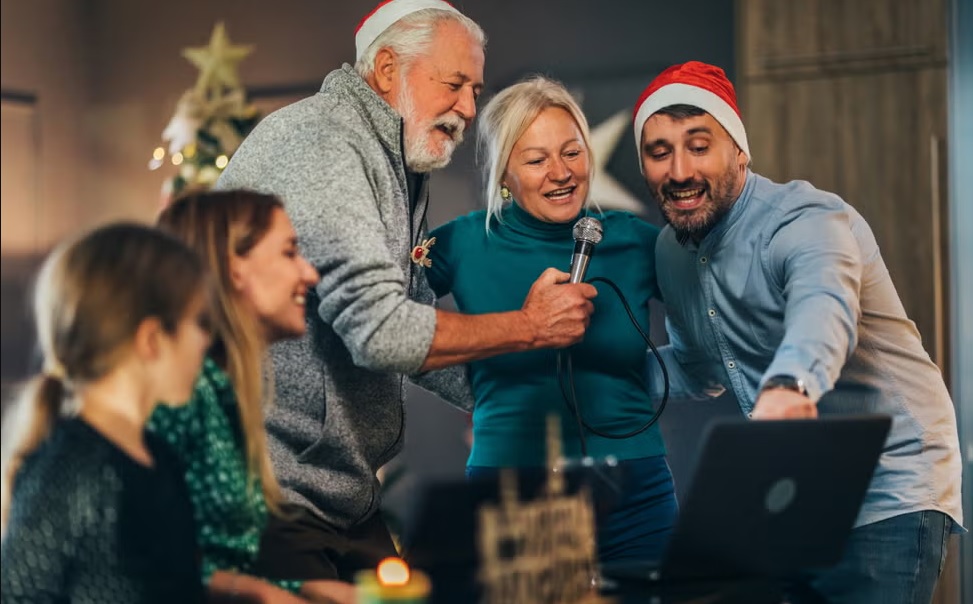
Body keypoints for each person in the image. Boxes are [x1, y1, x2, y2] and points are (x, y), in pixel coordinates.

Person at [216, 0, 597, 581]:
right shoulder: (324, 143)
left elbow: (412, 309)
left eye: (475, 90)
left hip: (337, 495)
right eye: (454, 84)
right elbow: (381, 330)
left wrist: (509, 401)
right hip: (266, 491)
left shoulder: (392, 156)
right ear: (388, 69)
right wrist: (529, 326)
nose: (468, 108)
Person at [632, 60, 964, 603]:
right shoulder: (672, 251)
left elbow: (824, 306)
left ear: (739, 150)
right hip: (796, 489)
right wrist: (591, 376)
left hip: (888, 485)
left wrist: (791, 385)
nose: (680, 170)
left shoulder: (805, 219)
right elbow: (697, 368)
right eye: (659, 151)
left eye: (699, 145)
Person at [425, 75, 678, 563]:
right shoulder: (460, 243)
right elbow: (385, 322)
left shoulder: (635, 239)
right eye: (537, 160)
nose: (561, 173)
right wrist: (463, 383)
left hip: (635, 491)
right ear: (504, 173)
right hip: (511, 490)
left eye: (572, 152)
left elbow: (719, 311)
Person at [152, 190, 354, 604]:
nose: (309, 274)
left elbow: (217, 563)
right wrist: (261, 593)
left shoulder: (220, 390)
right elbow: (138, 562)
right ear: (235, 270)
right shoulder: (176, 397)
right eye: (289, 252)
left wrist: (310, 589)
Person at [0, 223, 210, 603]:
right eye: (199, 323)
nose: (205, 342)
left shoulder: (161, 459)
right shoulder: (70, 467)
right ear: (152, 339)